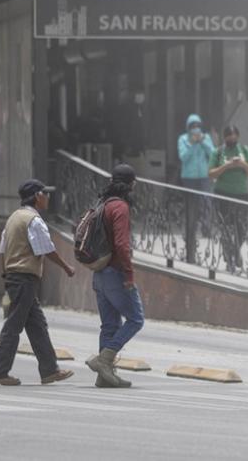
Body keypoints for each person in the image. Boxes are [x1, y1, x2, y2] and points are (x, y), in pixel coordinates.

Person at [0, 179, 76, 386]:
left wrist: (6, 276)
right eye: (46, 194)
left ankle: (49, 370)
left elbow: (3, 250)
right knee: (13, 326)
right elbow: (45, 248)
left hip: (15, 277)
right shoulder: (33, 220)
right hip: (24, 278)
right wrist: (66, 267)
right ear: (38, 196)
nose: (48, 198)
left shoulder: (14, 218)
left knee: (37, 325)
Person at [86, 164, 145, 388]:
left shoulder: (102, 204)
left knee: (109, 325)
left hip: (99, 273)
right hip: (114, 273)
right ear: (130, 184)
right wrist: (129, 274)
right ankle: (105, 360)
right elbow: (121, 244)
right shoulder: (120, 207)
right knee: (136, 319)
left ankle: (104, 376)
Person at [209, 125, 248, 273]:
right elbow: (211, 173)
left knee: (242, 228)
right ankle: (229, 258)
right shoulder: (218, 153)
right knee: (226, 228)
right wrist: (226, 166)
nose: (232, 139)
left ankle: (235, 250)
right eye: (229, 136)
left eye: (235, 136)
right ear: (225, 138)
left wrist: (241, 164)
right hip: (223, 194)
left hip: (241, 194)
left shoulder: (244, 150)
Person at [178, 114, 215, 233]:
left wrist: (203, 142)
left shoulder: (206, 137)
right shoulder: (183, 139)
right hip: (189, 177)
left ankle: (206, 227)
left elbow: (213, 153)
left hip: (204, 176)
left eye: (198, 125)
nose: (195, 128)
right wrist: (193, 144)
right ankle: (191, 229)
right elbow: (183, 157)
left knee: (206, 202)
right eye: (192, 126)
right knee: (191, 203)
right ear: (188, 127)